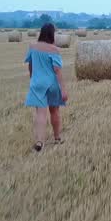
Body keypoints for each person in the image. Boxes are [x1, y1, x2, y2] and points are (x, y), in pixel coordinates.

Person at [24, 23, 69, 151]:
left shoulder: (32, 47)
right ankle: (57, 138)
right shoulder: (54, 50)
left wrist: (33, 78)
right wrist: (63, 89)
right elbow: (57, 70)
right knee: (54, 111)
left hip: (36, 83)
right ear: (51, 34)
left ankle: (39, 141)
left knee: (40, 114)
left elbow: (30, 66)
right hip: (51, 84)